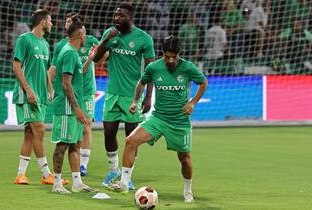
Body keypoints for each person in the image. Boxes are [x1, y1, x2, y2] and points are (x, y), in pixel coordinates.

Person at [108, 36, 208, 203]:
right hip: (158, 118)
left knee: (184, 158)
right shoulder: (154, 67)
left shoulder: (188, 68)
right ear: (162, 52)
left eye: (173, 57)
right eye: (167, 56)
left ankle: (188, 190)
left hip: (179, 121)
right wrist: (134, 101)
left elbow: (203, 83)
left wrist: (193, 102)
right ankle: (124, 183)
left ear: (179, 54)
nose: (170, 60)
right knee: (131, 141)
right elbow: (141, 83)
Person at [93, 3, 155, 190]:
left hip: (132, 96)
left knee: (132, 138)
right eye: (115, 15)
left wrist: (147, 97)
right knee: (109, 132)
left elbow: (150, 70)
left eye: (121, 16)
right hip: (112, 93)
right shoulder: (110, 34)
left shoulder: (144, 39)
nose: (116, 18)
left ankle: (127, 176)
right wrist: (106, 41)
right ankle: (113, 170)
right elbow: (96, 59)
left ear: (130, 18)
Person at [12, 9, 68, 185]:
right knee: (39, 130)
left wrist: (50, 90)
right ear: (43, 22)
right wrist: (28, 90)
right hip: (27, 94)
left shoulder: (44, 43)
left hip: (41, 95)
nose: (52, 23)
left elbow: (44, 71)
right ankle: (46, 174)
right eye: (50, 20)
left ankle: (21, 174)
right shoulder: (24, 39)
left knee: (30, 134)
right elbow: (16, 66)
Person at [48, 12, 104, 177]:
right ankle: (57, 181)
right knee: (64, 143)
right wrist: (49, 89)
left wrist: (92, 57)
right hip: (68, 103)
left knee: (77, 139)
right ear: (80, 34)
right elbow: (66, 83)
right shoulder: (67, 51)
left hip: (83, 95)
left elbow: (82, 70)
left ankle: (78, 175)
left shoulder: (78, 49)